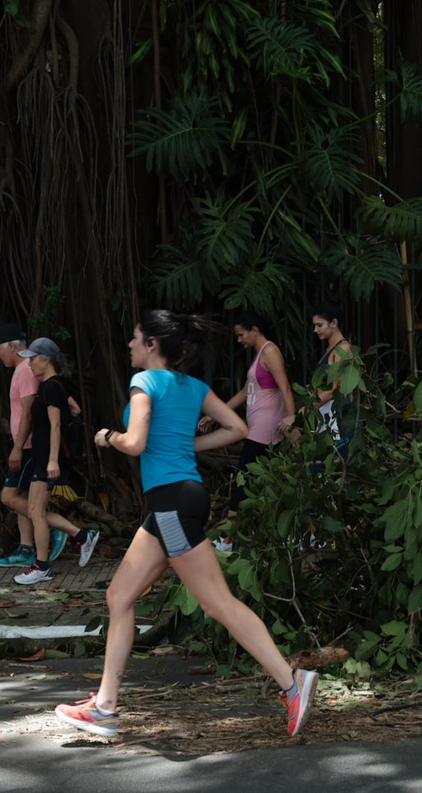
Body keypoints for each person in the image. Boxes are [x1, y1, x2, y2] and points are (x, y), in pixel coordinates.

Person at [54, 310, 317, 739]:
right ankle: (104, 706)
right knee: (119, 595)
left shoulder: (144, 383)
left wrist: (109, 438)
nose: (130, 345)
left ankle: (292, 683)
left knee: (217, 603)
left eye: (135, 338)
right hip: (175, 502)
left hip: (172, 504)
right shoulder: (192, 387)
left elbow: (135, 442)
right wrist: (187, 443)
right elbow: (238, 428)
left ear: (153, 344)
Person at [11, 338, 102, 585]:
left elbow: (56, 424)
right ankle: (82, 537)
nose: (29, 364)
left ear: (45, 359)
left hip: (47, 459)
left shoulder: (51, 387)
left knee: (35, 511)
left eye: (32, 359)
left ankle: (42, 566)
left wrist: (53, 461)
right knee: (34, 509)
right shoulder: (54, 386)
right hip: (44, 457)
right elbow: (75, 409)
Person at [0, 324, 79, 568]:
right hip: (33, 447)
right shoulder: (41, 377)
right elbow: (69, 405)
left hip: (31, 448)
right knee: (26, 501)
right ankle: (29, 548)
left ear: (10, 346)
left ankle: (55, 534)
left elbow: (34, 415)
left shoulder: (31, 374)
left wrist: (20, 447)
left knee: (14, 498)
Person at [212, 311, 297, 551]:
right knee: (266, 481)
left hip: (266, 428)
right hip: (259, 427)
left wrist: (293, 419)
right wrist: (214, 413)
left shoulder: (270, 352)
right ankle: (286, 535)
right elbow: (243, 392)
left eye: (241, 335)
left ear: (254, 330)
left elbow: (285, 387)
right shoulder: (259, 355)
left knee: (243, 481)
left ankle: (227, 540)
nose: (239, 340)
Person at [308, 302, 353, 457]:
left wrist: (304, 411)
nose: (315, 330)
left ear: (334, 323)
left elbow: (334, 390)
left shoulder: (343, 348)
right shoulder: (329, 349)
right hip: (326, 415)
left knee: (338, 466)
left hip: (338, 417)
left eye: (319, 325)